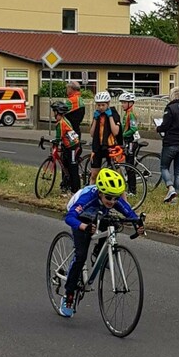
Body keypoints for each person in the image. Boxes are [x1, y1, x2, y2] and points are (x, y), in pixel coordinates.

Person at [60, 168, 144, 317]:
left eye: (115, 198)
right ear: (100, 192)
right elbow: (69, 217)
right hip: (80, 216)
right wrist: (83, 227)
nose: (112, 201)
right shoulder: (88, 198)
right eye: (109, 197)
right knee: (80, 255)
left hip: (98, 212)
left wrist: (138, 224)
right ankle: (69, 293)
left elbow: (129, 212)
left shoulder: (111, 199)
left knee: (110, 222)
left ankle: (99, 251)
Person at [89, 91, 122, 184]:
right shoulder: (97, 115)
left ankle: (122, 196)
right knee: (94, 175)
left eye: (103, 105)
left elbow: (116, 132)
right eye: (98, 105)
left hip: (110, 146)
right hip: (98, 147)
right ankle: (92, 194)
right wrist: (95, 119)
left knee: (116, 173)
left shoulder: (114, 114)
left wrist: (110, 116)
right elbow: (92, 133)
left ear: (108, 104)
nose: (100, 107)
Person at [51, 101, 81, 194]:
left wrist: (54, 141)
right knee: (65, 165)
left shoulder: (61, 123)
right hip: (67, 145)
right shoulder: (62, 120)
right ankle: (66, 184)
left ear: (57, 112)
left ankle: (76, 189)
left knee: (72, 167)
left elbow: (58, 137)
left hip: (73, 146)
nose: (53, 114)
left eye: (54, 111)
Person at [119, 92, 140, 194]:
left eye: (124, 102)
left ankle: (132, 190)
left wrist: (123, 135)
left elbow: (133, 128)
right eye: (122, 102)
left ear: (130, 103)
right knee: (127, 164)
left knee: (129, 166)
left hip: (131, 141)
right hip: (128, 141)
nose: (122, 104)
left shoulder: (131, 114)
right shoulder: (127, 113)